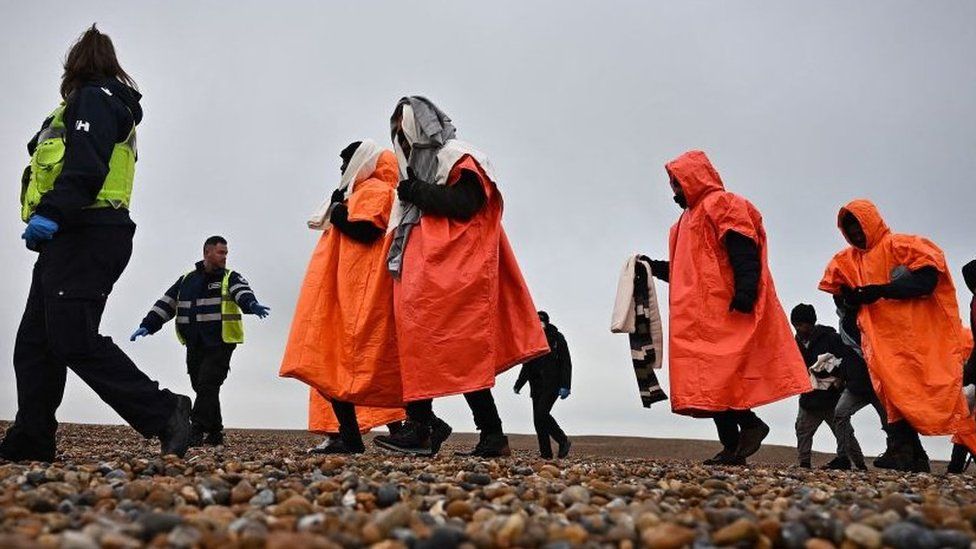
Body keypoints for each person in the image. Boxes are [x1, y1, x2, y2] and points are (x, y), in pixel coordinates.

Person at [0, 25, 193, 462]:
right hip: (69, 236)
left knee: (71, 336)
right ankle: (31, 438)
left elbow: (86, 165)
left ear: (74, 67)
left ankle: (164, 410)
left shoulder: (97, 99)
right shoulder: (76, 107)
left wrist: (52, 212)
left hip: (90, 230)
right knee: (36, 342)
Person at [372, 96, 549, 457]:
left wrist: (416, 192)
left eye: (403, 133)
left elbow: (468, 202)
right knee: (420, 346)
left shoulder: (457, 155)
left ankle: (482, 433)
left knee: (460, 352)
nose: (401, 143)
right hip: (427, 274)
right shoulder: (418, 169)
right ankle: (426, 428)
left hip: (457, 273)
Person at [647, 150, 809, 466]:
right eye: (673, 186)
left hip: (725, 310)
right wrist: (651, 267)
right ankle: (733, 446)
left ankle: (748, 427)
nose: (675, 193)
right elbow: (684, 270)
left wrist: (746, 291)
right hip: (696, 317)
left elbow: (742, 247)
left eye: (678, 185)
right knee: (708, 383)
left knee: (719, 379)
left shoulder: (724, 204)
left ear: (692, 179)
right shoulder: (683, 223)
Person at [819, 199, 976, 472]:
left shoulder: (902, 246)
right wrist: (852, 300)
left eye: (858, 224)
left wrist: (881, 290)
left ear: (871, 221)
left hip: (916, 338)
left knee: (919, 392)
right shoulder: (847, 261)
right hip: (879, 342)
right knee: (891, 395)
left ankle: (913, 453)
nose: (856, 232)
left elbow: (927, 281)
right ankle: (908, 454)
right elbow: (841, 298)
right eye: (849, 227)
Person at [280, 140, 406, 454]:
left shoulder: (375, 191)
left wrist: (337, 212)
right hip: (347, 289)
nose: (341, 170)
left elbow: (366, 231)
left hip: (354, 293)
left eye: (345, 162)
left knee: (336, 360)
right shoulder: (365, 192)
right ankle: (356, 436)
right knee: (336, 364)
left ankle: (358, 437)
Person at [133, 236, 269, 446]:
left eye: (226, 253)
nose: (224, 257)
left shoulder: (230, 277)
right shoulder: (187, 280)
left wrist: (252, 305)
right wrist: (148, 325)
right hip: (194, 343)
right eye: (220, 252)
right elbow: (167, 303)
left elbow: (242, 293)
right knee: (202, 387)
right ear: (207, 252)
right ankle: (215, 432)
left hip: (221, 343)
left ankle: (194, 429)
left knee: (208, 384)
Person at [790, 304, 865, 470]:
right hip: (809, 399)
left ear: (811, 323)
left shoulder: (831, 338)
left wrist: (840, 377)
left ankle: (860, 466)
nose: (798, 328)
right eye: (796, 324)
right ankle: (804, 464)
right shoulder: (794, 343)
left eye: (801, 324)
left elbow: (847, 358)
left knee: (845, 435)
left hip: (832, 398)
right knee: (802, 430)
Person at [515, 311, 573, 459]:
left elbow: (566, 362)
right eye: (537, 321)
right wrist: (519, 383)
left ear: (547, 322)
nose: (539, 324)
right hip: (536, 385)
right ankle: (546, 454)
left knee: (542, 414)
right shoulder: (531, 339)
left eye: (542, 321)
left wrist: (566, 385)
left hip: (552, 384)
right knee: (538, 421)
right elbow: (526, 364)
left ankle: (563, 440)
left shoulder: (557, 338)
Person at [948, 259, 976, 473]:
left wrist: (969, 373)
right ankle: (955, 467)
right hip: (970, 376)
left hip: (971, 376)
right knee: (964, 422)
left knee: (965, 422)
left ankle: (955, 467)